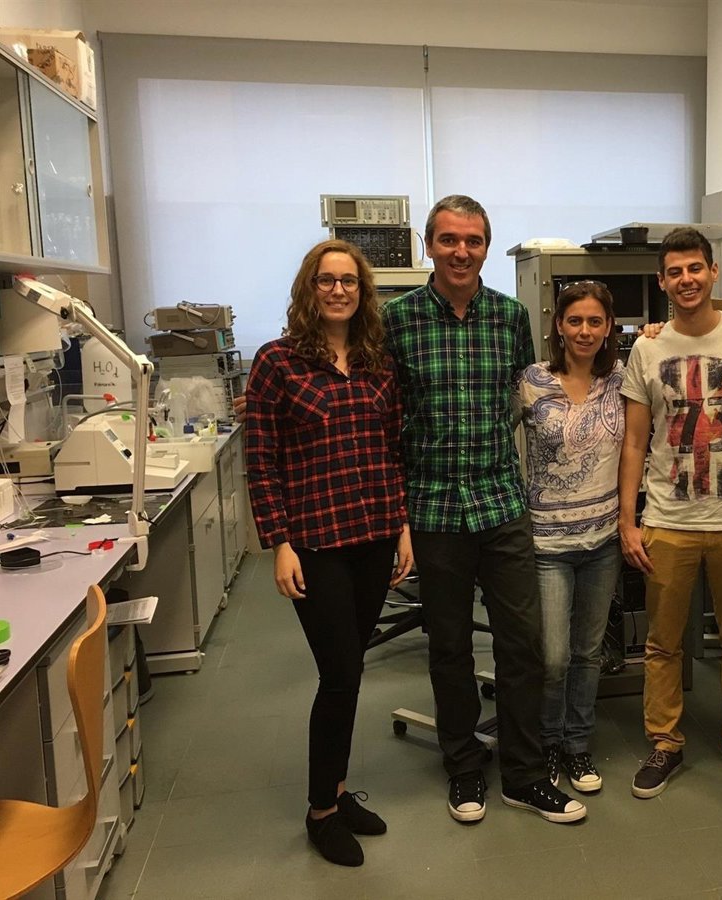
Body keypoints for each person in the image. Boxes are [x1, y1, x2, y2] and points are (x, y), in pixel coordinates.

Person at [381, 195, 586, 824]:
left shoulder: (508, 316)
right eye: (448, 240)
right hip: (433, 509)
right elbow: (385, 417)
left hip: (500, 504)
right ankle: (464, 768)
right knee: (449, 648)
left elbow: (532, 394)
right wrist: (397, 519)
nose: (461, 251)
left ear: (486, 248)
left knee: (523, 645)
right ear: (429, 246)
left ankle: (525, 774)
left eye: (473, 241)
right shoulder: (397, 321)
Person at [245, 239, 415, 867]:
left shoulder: (377, 363)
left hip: (373, 533)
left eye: (349, 281)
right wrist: (279, 542)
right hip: (315, 542)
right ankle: (321, 812)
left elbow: (392, 449)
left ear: (363, 292)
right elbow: (260, 460)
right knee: (340, 673)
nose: (338, 290)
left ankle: (338, 793)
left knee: (350, 672)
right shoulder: (277, 362)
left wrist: (401, 526)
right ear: (308, 289)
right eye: (326, 280)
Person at [618, 226, 722, 802]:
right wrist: (629, 520)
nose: (686, 279)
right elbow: (635, 441)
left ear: (713, 272)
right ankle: (665, 741)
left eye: (695, 268)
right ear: (662, 281)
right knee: (662, 644)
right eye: (675, 272)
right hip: (668, 520)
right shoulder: (647, 348)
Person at [514, 280, 625, 794]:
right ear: (558, 325)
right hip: (547, 544)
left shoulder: (620, 378)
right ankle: (548, 743)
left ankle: (578, 745)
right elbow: (491, 433)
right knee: (554, 656)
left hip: (603, 540)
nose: (584, 331)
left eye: (595, 321)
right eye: (575, 320)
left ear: (608, 327)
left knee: (588, 652)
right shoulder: (532, 380)